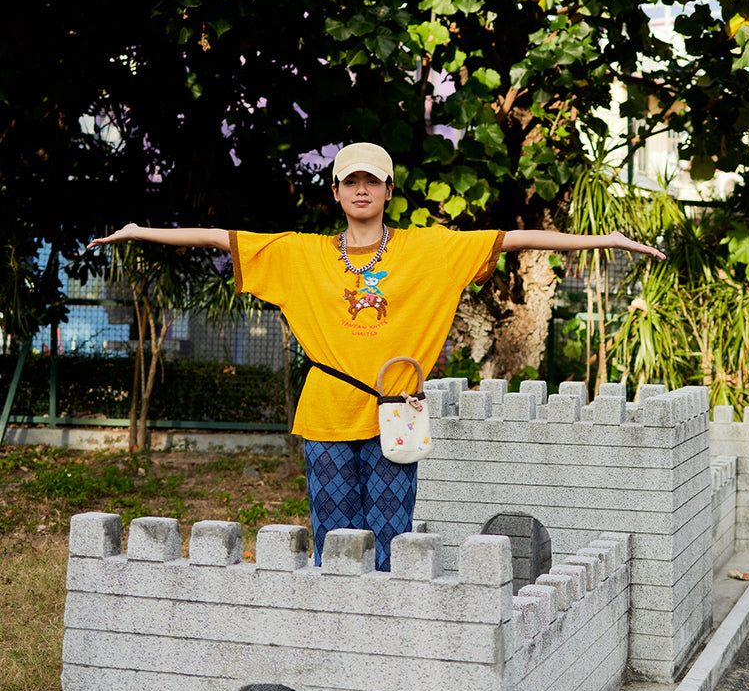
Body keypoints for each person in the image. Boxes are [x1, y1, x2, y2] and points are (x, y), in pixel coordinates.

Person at [87, 141, 665, 570]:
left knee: (391, 540)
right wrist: (141, 230)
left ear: (389, 191)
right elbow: (220, 236)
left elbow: (514, 240)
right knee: (336, 541)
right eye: (350, 181)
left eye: (373, 181)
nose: (361, 189)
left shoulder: (431, 250)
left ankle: (383, 644)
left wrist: (605, 242)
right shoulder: (302, 255)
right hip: (328, 412)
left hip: (398, 411)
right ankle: (335, 646)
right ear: (336, 192)